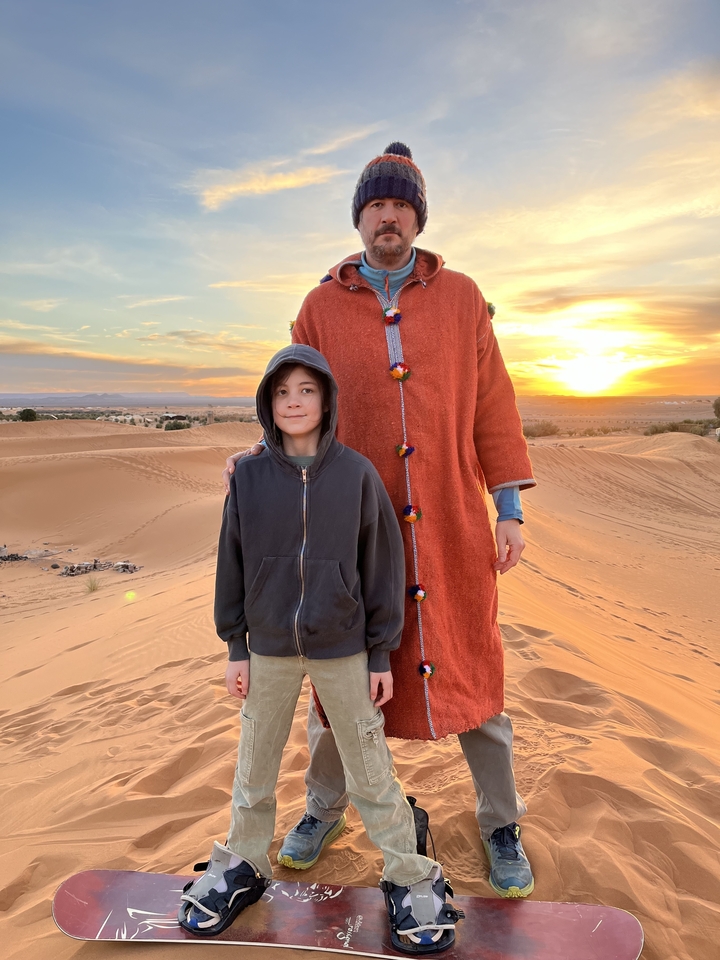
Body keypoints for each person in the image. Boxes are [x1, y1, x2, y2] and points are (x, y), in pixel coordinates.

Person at [224, 142, 537, 899]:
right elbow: (291, 389)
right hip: (347, 530)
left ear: (417, 216)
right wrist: (259, 454)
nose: (387, 215)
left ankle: (501, 823)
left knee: (474, 669)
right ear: (360, 217)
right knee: (339, 677)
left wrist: (509, 507)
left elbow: (493, 403)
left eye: (400, 204)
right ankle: (323, 808)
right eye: (375, 205)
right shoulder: (320, 305)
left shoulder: (462, 296)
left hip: (454, 524)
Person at [179, 344, 463, 954]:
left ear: (327, 399)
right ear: (268, 403)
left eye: (307, 390)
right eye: (283, 392)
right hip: (270, 647)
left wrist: (382, 653)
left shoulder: (356, 474)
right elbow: (230, 560)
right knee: (255, 762)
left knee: (368, 765)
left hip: (344, 649)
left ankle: (409, 875)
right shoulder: (249, 477)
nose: (294, 402)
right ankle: (243, 865)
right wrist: (235, 644)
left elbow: (382, 565)